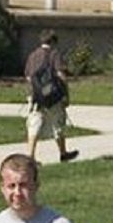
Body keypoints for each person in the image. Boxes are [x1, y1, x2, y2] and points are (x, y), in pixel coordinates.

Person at [22, 32, 78, 164]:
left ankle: (31, 156)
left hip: (35, 96)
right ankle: (63, 153)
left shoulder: (32, 55)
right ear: (53, 42)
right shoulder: (54, 54)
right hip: (52, 96)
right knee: (57, 123)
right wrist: (66, 94)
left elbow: (28, 77)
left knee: (34, 124)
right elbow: (60, 74)